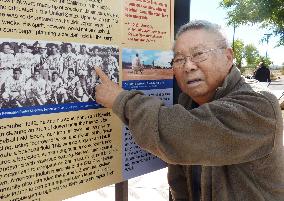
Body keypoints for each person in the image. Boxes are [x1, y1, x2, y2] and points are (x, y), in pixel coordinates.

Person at [94, 20, 284, 201]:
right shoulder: (187, 104)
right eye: (178, 59)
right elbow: (180, 182)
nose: (188, 66)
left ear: (228, 57)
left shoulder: (260, 106)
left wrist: (120, 99)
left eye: (199, 54)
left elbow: (179, 134)